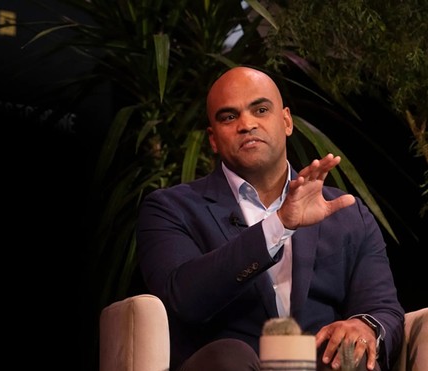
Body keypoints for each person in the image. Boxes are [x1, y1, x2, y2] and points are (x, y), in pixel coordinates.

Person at [136, 66, 405, 371]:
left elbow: (382, 308)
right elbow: (181, 299)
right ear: (213, 139)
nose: (246, 124)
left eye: (260, 109)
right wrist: (278, 225)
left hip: (321, 365)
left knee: (348, 354)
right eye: (228, 117)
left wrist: (364, 327)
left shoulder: (345, 211)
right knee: (228, 356)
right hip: (231, 365)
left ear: (286, 121)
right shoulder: (171, 209)